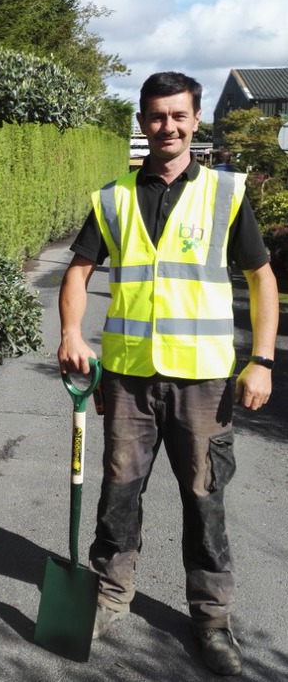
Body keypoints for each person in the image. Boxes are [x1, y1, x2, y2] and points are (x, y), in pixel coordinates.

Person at [57, 71, 278, 676]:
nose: (168, 127)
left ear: (196, 119)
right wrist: (72, 333)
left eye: (179, 115)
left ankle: (212, 620)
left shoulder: (226, 192)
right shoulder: (114, 198)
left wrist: (261, 360)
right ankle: (109, 596)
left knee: (205, 499)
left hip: (204, 381)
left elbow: (261, 277)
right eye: (157, 116)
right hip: (128, 378)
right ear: (142, 122)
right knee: (119, 492)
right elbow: (78, 271)